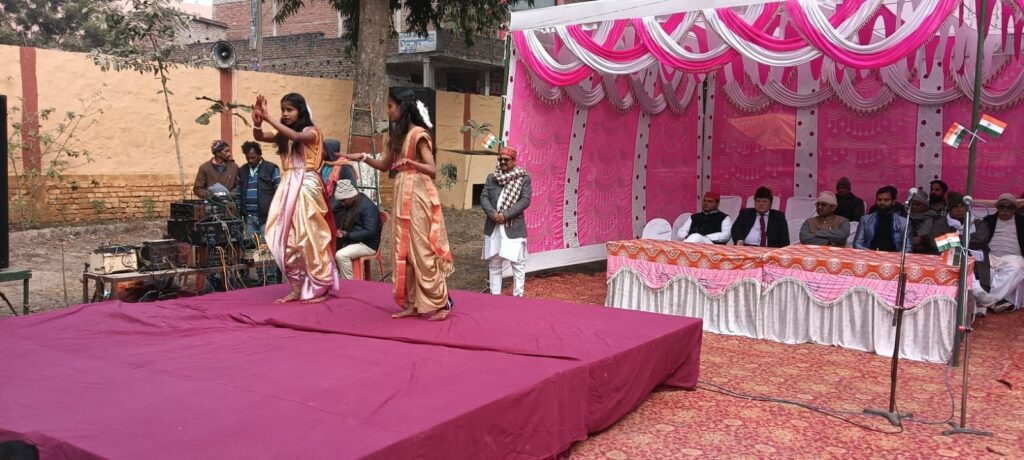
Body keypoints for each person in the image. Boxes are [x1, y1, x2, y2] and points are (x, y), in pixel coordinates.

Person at [341, 88, 455, 320]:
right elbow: (385, 165)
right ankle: (413, 302)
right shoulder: (397, 137)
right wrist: (362, 157)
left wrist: (411, 163)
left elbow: (432, 169)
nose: (388, 111)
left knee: (421, 250)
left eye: (391, 106)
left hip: (419, 195)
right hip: (402, 196)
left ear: (403, 107)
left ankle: (442, 303)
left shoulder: (419, 134)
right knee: (404, 251)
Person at [251, 92, 341, 304]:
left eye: (289, 110)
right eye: (283, 110)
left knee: (309, 236)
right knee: (287, 239)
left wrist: (268, 117)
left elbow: (297, 137)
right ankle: (296, 286)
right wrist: (257, 123)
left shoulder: (312, 132)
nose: (285, 114)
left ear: (301, 111)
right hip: (288, 186)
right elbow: (260, 137)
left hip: (306, 185)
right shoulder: (285, 135)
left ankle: (321, 284)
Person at [480, 146, 533, 297]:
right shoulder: (492, 178)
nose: (503, 162)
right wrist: (492, 214)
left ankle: (518, 297)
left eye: (506, 159)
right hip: (494, 227)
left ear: (514, 161)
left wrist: (505, 215)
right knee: (494, 263)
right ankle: (495, 296)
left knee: (518, 264)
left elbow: (525, 200)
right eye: (500, 159)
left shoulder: (523, 178)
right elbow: (483, 197)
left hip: (513, 228)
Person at [972, 193, 1024, 313]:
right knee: (981, 269)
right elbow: (981, 238)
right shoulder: (988, 220)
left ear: (1015, 209)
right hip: (990, 256)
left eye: (1009, 207)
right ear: (997, 208)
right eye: (1002, 207)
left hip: (1013, 257)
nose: (1005, 210)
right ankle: (997, 302)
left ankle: (985, 301)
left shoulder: (1022, 221)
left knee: (1017, 269)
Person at [332, 179, 382, 280]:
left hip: (368, 244)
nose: (342, 204)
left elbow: (370, 232)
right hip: (356, 239)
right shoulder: (352, 203)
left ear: (351, 196)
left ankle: (349, 284)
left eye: (343, 201)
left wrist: (348, 235)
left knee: (341, 255)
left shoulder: (367, 207)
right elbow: (334, 209)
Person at [853, 186, 908, 251]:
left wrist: (893, 256)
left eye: (886, 200)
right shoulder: (865, 220)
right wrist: (872, 253)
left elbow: (908, 248)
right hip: (870, 254)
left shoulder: (904, 222)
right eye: (879, 200)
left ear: (893, 201)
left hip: (894, 256)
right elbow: (857, 244)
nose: (882, 203)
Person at [906, 189, 953, 255]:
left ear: (925, 205)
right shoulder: (905, 218)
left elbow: (942, 242)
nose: (914, 206)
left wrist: (922, 239)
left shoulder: (936, 219)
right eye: (911, 204)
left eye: (917, 204)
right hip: (906, 253)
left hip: (930, 254)